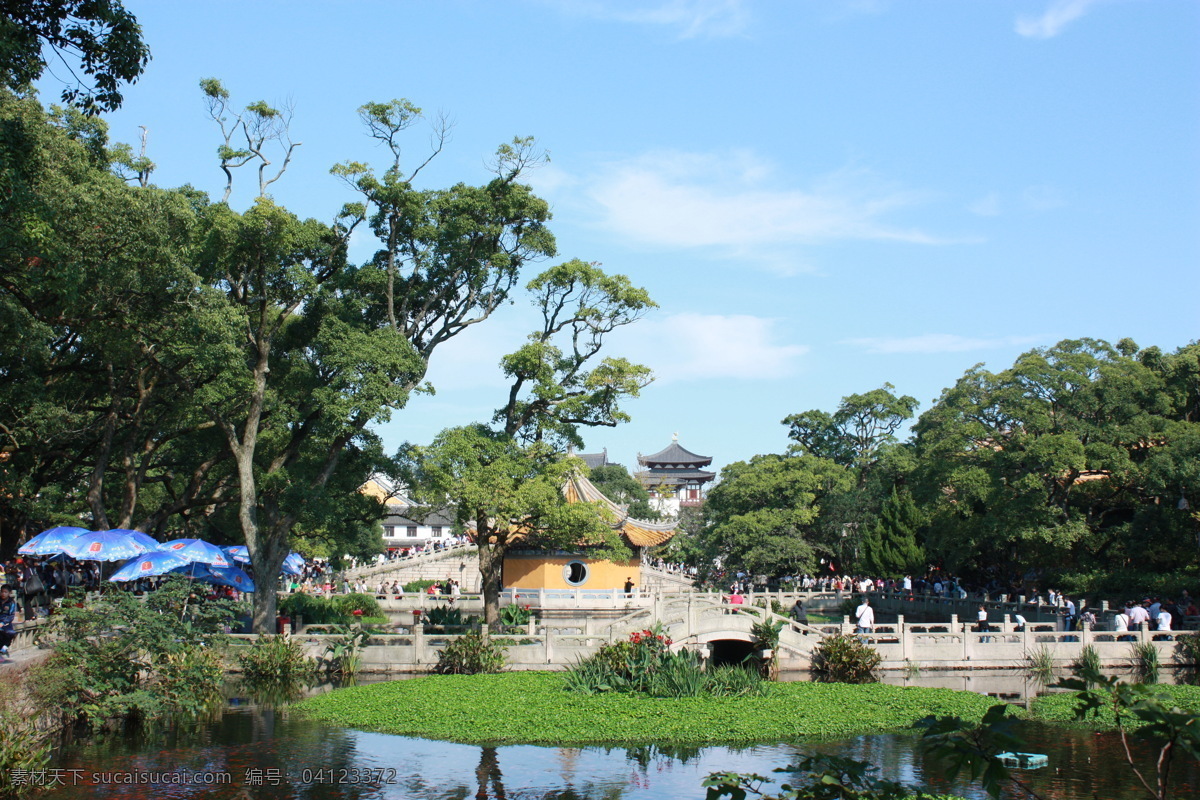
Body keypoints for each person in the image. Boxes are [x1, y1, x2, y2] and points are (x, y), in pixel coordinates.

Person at [0, 584, 15, 658]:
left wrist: (3, 622)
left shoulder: (11, 602)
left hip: (6, 622)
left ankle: (4, 649)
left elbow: (11, 615)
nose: (3, 594)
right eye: (2, 592)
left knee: (11, 633)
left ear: (9, 593)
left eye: (5, 592)